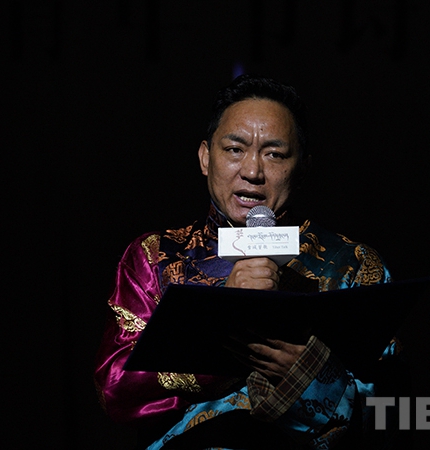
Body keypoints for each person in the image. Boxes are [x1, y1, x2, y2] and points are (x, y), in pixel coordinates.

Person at [94, 74, 408, 449]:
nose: (253, 171)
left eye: (275, 154)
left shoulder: (351, 264)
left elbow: (396, 411)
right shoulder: (158, 256)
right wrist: (220, 323)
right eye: (234, 149)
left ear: (303, 166)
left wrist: (311, 374)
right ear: (205, 157)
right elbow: (115, 391)